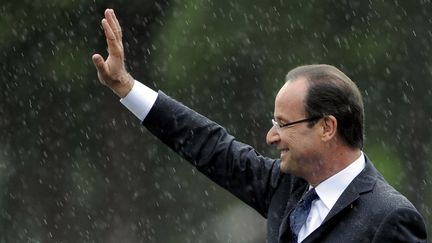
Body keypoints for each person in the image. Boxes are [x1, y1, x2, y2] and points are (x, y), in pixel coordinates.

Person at [92, 9, 427, 243]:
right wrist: (126, 85)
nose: (271, 136)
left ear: (327, 127)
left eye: (283, 123)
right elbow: (209, 145)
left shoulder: (390, 218)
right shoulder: (284, 187)